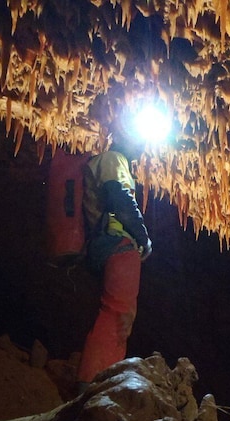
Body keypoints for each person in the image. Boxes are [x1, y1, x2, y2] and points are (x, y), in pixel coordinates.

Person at [75, 137, 152, 394]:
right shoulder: (113, 159)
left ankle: (105, 380)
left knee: (120, 314)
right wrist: (143, 237)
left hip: (102, 244)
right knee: (118, 313)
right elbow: (118, 197)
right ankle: (91, 382)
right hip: (118, 244)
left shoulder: (104, 162)